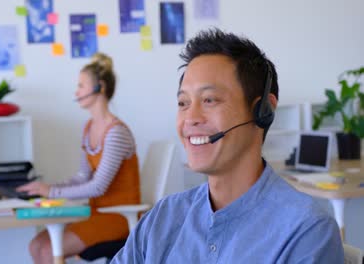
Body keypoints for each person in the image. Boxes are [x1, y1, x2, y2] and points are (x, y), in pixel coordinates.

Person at [112, 29, 344, 263]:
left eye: (209, 100)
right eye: (183, 103)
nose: (190, 118)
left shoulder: (307, 232)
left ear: (263, 111)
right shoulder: (162, 218)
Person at [17, 53, 141, 264]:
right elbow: (83, 177)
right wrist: (45, 188)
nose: (77, 91)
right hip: (94, 213)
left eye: (81, 85)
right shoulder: (88, 129)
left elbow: (98, 187)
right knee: (36, 245)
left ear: (99, 87)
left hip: (117, 217)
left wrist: (52, 192)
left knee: (48, 250)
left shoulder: (116, 133)